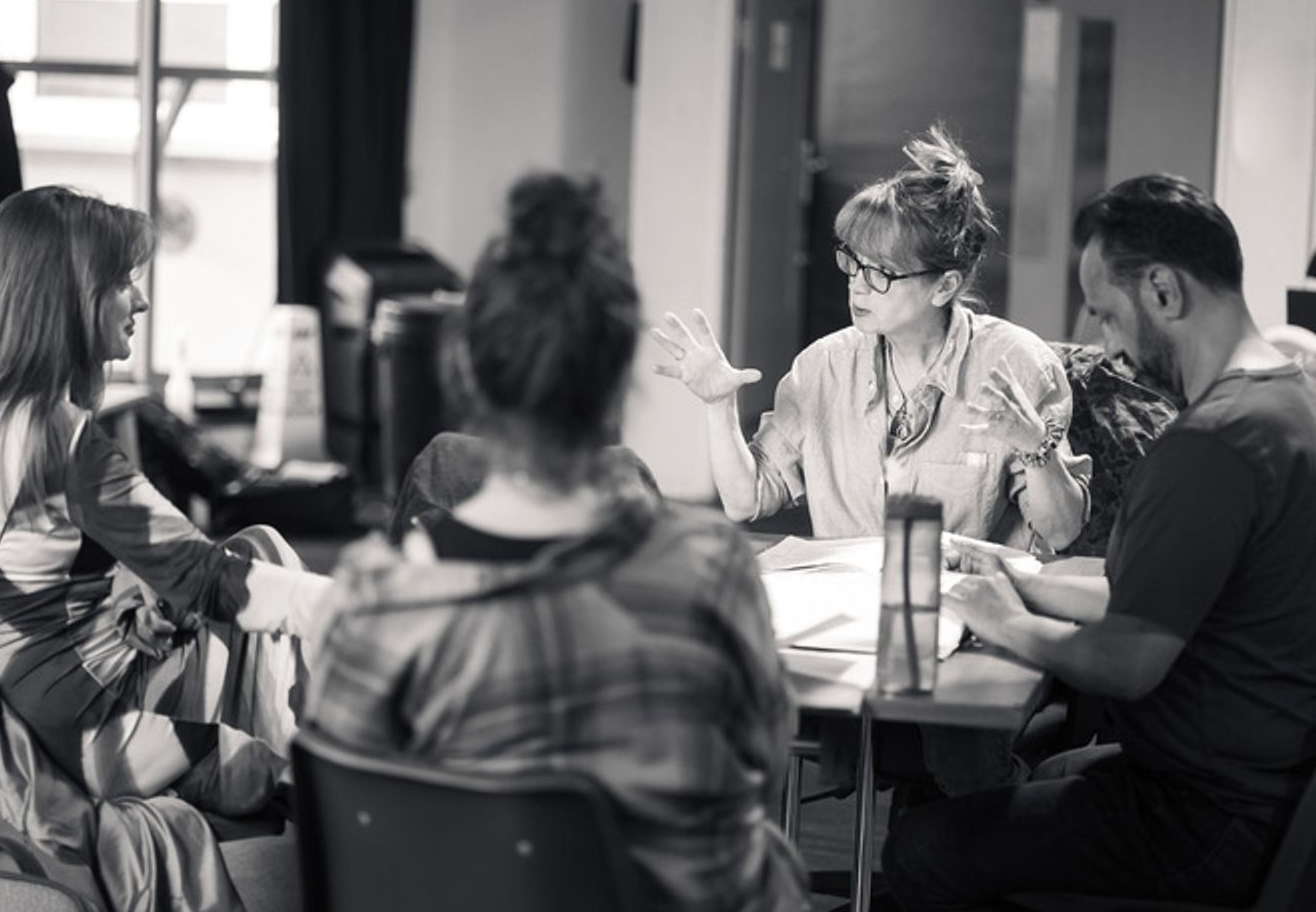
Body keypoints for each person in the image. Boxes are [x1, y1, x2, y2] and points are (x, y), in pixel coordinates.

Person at [305, 173, 810, 912]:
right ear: (617, 379)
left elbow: (352, 821)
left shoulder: (370, 601)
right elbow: (760, 769)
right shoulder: (710, 569)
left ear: (466, 367)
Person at [883, 173, 1316, 909]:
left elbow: (1126, 662)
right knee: (1048, 775)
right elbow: (1157, 594)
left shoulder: (1211, 445)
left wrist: (1005, 622)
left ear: (1163, 291)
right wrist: (1021, 578)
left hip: (1210, 813)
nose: (1104, 344)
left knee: (922, 848)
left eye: (1108, 316)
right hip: (1269, 784)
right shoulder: (1291, 400)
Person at [0, 185, 332, 818]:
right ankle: (334, 790)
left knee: (247, 570)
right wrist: (369, 605)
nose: (139, 300)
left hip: (16, 712)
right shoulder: (54, 438)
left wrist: (123, 599)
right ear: (63, 298)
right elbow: (209, 579)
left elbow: (16, 577)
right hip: (88, 731)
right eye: (119, 282)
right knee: (263, 559)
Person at [653, 124, 1090, 555]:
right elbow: (744, 500)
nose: (857, 286)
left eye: (880, 273)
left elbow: (1061, 533)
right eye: (854, 262)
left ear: (944, 286)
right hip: (845, 591)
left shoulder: (1017, 364)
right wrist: (719, 407)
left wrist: (1036, 448)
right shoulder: (822, 366)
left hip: (959, 594)